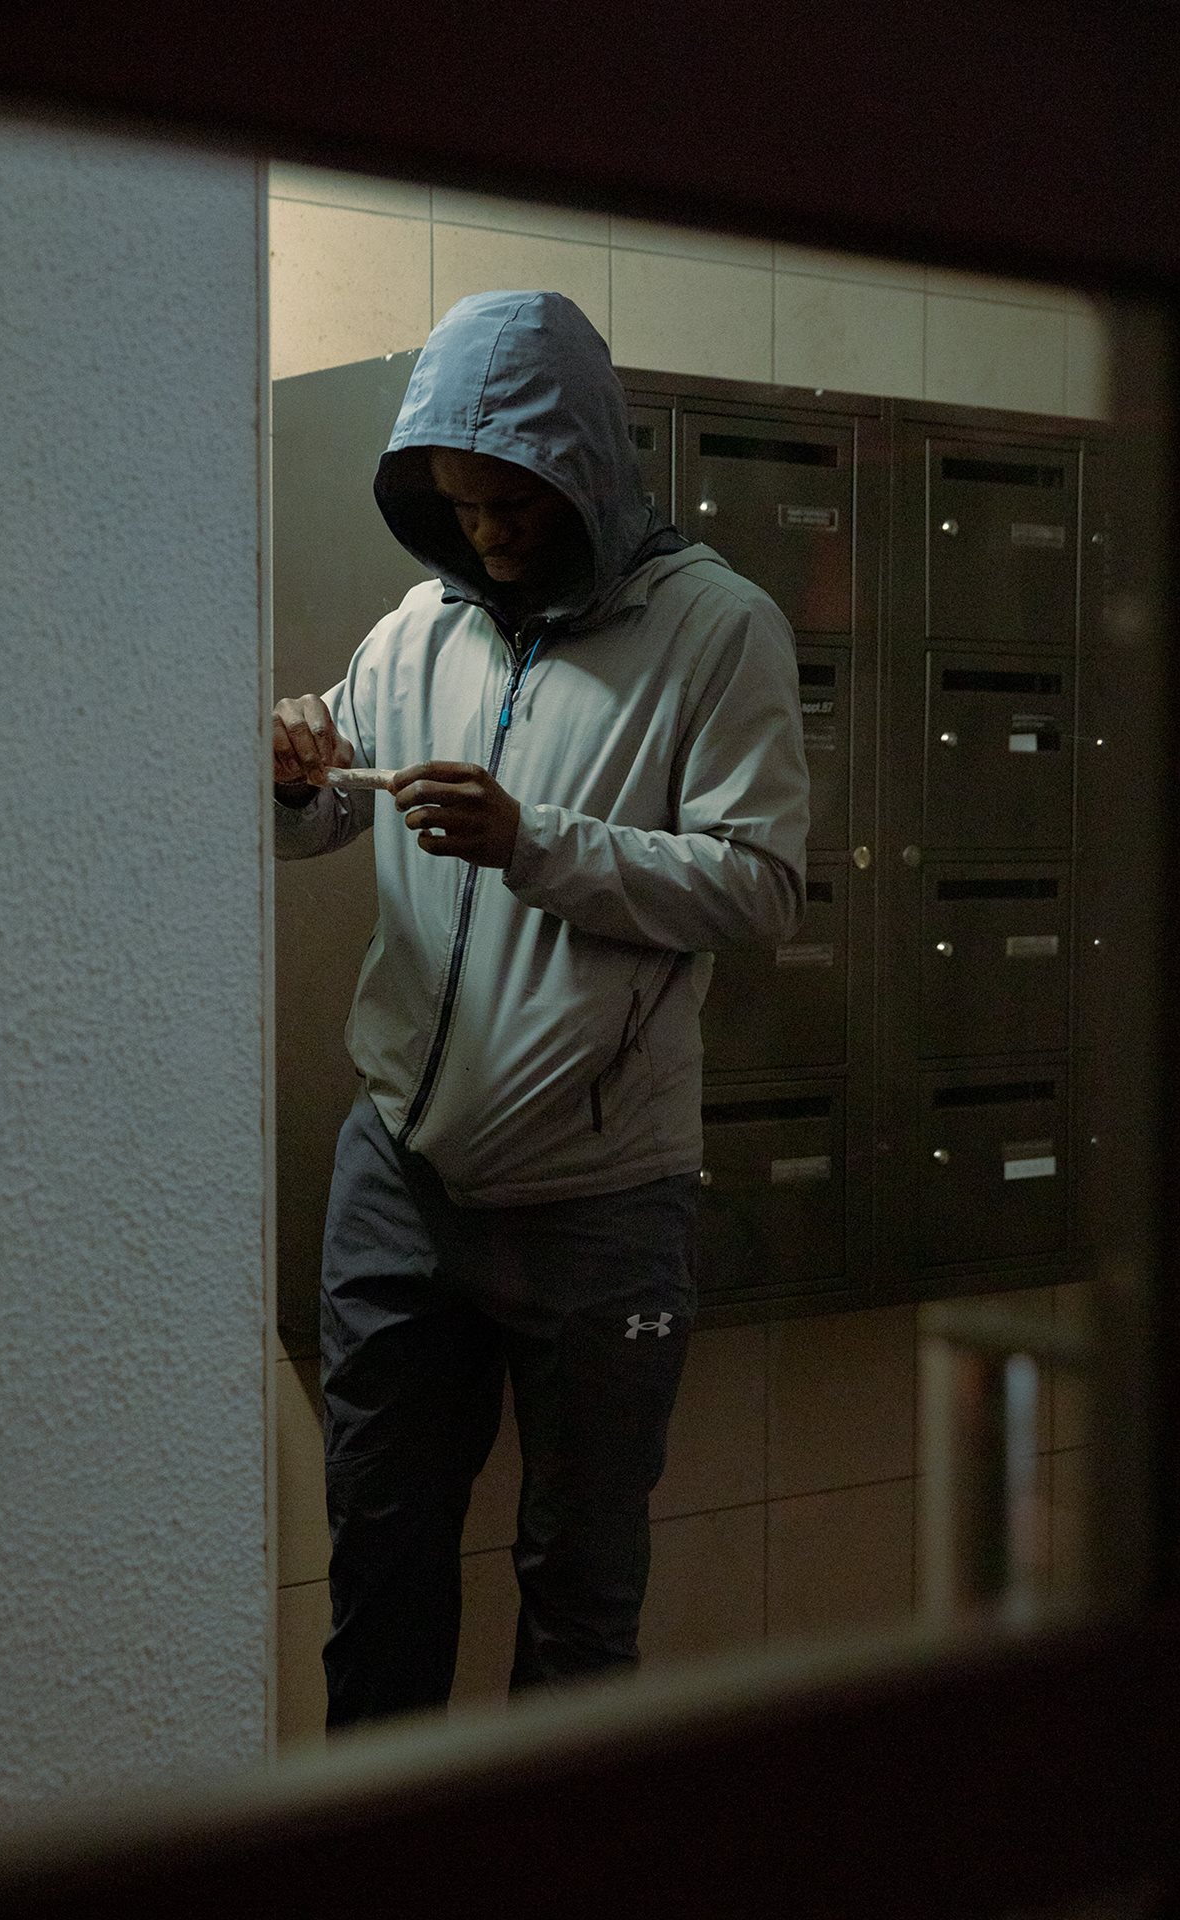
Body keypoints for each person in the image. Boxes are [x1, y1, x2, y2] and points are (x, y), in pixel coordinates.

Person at [272, 290, 809, 1730]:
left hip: (600, 1204)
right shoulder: (418, 627)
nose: (489, 534)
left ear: (583, 466)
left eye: (512, 502)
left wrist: (535, 842)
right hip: (399, 1180)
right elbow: (327, 810)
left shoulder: (716, 630)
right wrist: (287, 771)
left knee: (578, 1605)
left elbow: (760, 886)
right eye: (458, 506)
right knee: (379, 1571)